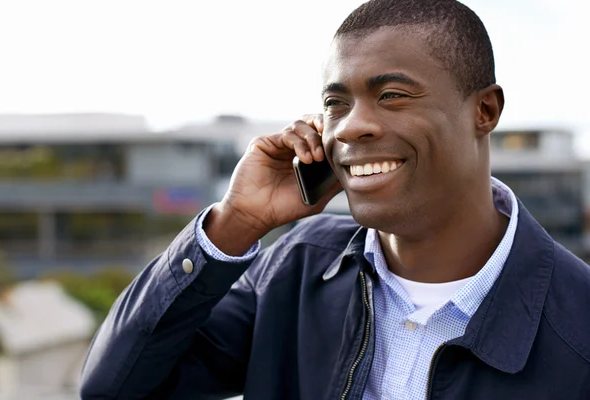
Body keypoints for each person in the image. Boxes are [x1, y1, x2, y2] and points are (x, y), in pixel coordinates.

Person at [80, 0, 590, 399]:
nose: (352, 126)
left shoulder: (578, 320)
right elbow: (116, 386)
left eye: (392, 95)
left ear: (484, 110)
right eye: (335, 103)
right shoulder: (295, 268)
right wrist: (237, 221)